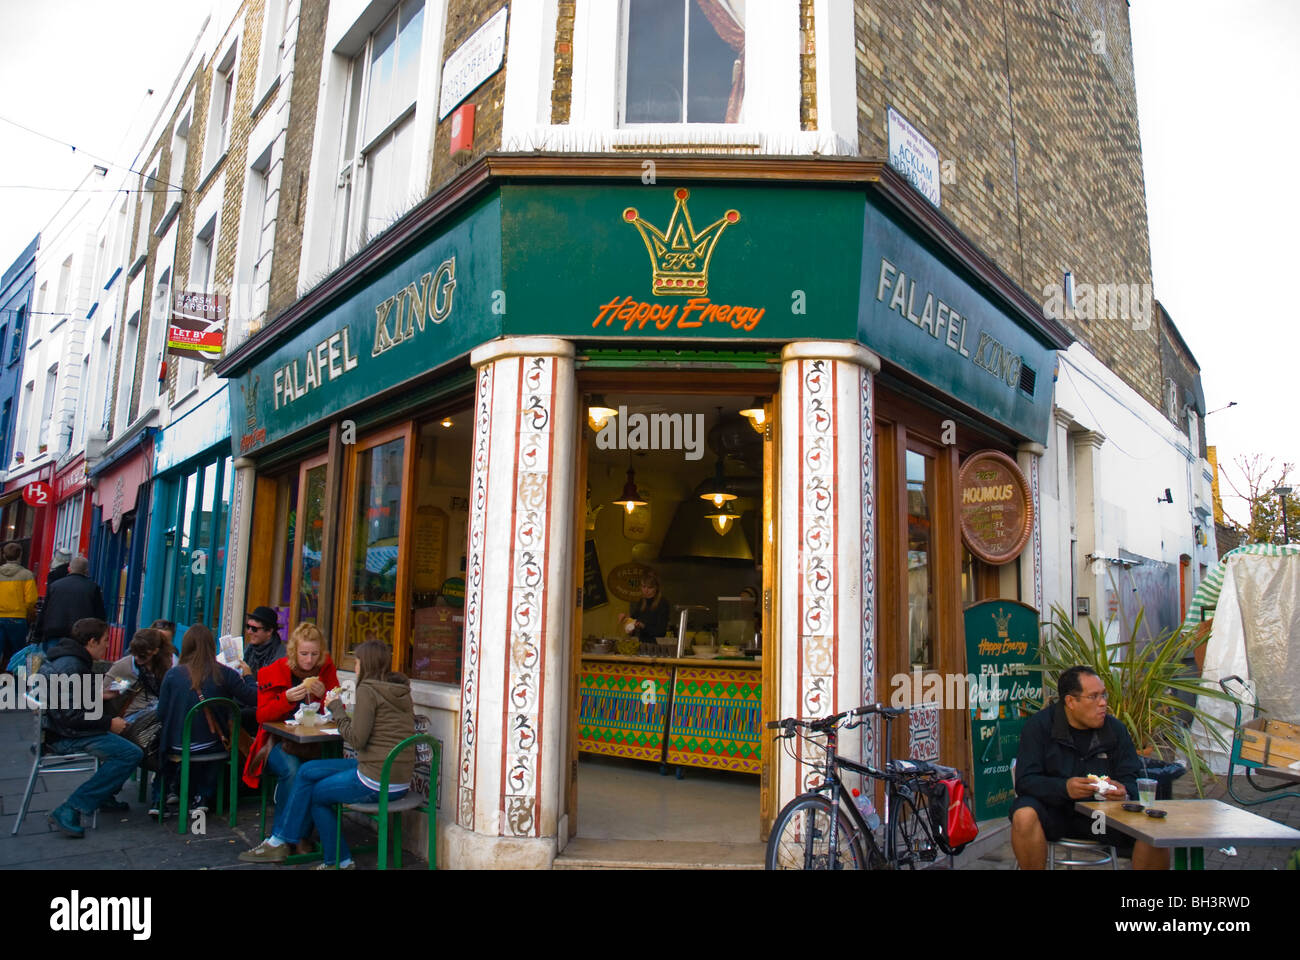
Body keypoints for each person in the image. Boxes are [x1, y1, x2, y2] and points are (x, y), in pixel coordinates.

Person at [240, 640, 415, 869]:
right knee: (307, 770)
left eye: (358, 662)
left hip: (375, 779)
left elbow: (356, 739)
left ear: (367, 664)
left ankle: (336, 861)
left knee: (316, 795)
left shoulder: (367, 690)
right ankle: (282, 839)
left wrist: (336, 707)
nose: (355, 667)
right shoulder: (399, 691)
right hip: (398, 778)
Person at [1009, 665, 1169, 870]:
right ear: (1070, 701)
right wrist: (1064, 788)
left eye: (1104, 695)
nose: (1103, 703)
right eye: (1093, 697)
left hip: (1102, 819)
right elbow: (1025, 781)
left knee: (1154, 826)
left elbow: (1133, 779)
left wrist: (1124, 792)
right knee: (1023, 814)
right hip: (1056, 813)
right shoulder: (1039, 727)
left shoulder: (1115, 729)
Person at [40, 618, 144, 837]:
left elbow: (68, 701)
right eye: (105, 641)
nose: (108, 645)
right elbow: (71, 716)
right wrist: (109, 723)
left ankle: (103, 794)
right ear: (91, 641)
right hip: (64, 735)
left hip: (57, 727)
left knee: (125, 742)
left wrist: (97, 695)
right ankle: (73, 807)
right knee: (130, 753)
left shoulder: (68, 658)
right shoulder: (73, 665)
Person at [242, 622, 339, 851]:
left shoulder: (326, 669)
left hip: (313, 743)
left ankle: (299, 835)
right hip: (276, 742)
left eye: (314, 654)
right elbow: (261, 716)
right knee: (293, 770)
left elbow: (337, 708)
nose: (309, 660)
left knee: (315, 773)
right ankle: (284, 837)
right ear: (294, 652)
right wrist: (285, 698)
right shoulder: (273, 671)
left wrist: (325, 694)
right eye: (304, 654)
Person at [156, 624, 256, 814]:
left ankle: (174, 793)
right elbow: (253, 698)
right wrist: (249, 676)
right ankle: (203, 795)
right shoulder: (225, 673)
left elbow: (161, 713)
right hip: (212, 743)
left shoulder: (172, 675)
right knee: (216, 743)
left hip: (177, 744)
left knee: (194, 744)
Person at [105, 629, 171, 805]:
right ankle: (162, 794)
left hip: (158, 717)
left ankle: (162, 793)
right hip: (133, 718)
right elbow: (100, 695)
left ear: (156, 650)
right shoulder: (124, 666)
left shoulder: (168, 664)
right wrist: (112, 693)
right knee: (166, 737)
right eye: (136, 655)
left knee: (167, 737)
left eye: (144, 656)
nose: (139, 659)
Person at [36, 556, 106, 651]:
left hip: (55, 632)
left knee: (52, 662)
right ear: (86, 571)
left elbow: (44, 611)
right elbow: (99, 614)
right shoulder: (93, 588)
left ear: (69, 569)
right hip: (81, 634)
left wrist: (38, 634)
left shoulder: (54, 586)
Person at [0, 541, 37, 668]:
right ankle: (18, 683)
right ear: (20, 555)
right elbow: (31, 600)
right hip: (17, 618)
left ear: (4, 555)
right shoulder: (26, 575)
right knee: (19, 655)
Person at [619, 570, 669, 644]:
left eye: (650, 587)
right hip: (640, 644)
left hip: (655, 646)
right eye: (644, 586)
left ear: (656, 588)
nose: (646, 590)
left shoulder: (663, 604)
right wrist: (626, 619)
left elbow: (661, 632)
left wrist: (644, 626)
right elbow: (633, 621)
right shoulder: (641, 602)